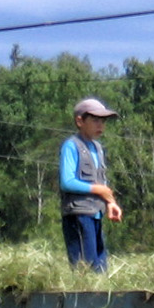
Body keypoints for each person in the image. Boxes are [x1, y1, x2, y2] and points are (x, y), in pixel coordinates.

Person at [60, 97, 123, 270]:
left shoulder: (98, 148)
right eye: (95, 120)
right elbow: (67, 182)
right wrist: (98, 190)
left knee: (100, 267)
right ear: (80, 121)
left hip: (96, 214)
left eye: (103, 121)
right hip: (78, 214)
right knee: (84, 267)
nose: (100, 126)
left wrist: (111, 203)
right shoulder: (71, 146)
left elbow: (101, 182)